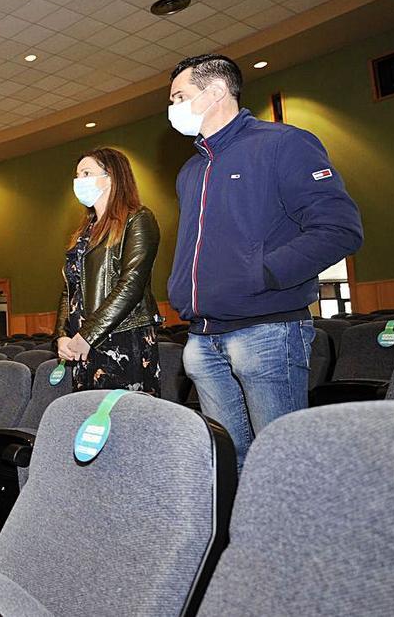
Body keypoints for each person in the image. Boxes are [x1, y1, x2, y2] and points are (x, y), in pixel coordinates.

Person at [166, 54, 363, 468]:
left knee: (281, 460)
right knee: (228, 461)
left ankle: (294, 534)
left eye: (179, 96)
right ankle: (244, 534)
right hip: (202, 337)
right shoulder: (190, 171)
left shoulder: (283, 144)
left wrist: (263, 273)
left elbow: (339, 228)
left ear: (216, 91)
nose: (173, 109)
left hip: (266, 332)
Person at [54, 148, 162, 394]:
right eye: (77, 174)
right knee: (90, 422)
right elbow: (69, 290)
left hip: (123, 337)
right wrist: (61, 335)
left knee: (125, 421)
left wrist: (87, 335)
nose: (79, 180)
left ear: (111, 178)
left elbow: (131, 285)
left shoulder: (139, 219)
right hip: (83, 344)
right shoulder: (83, 233)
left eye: (87, 172)